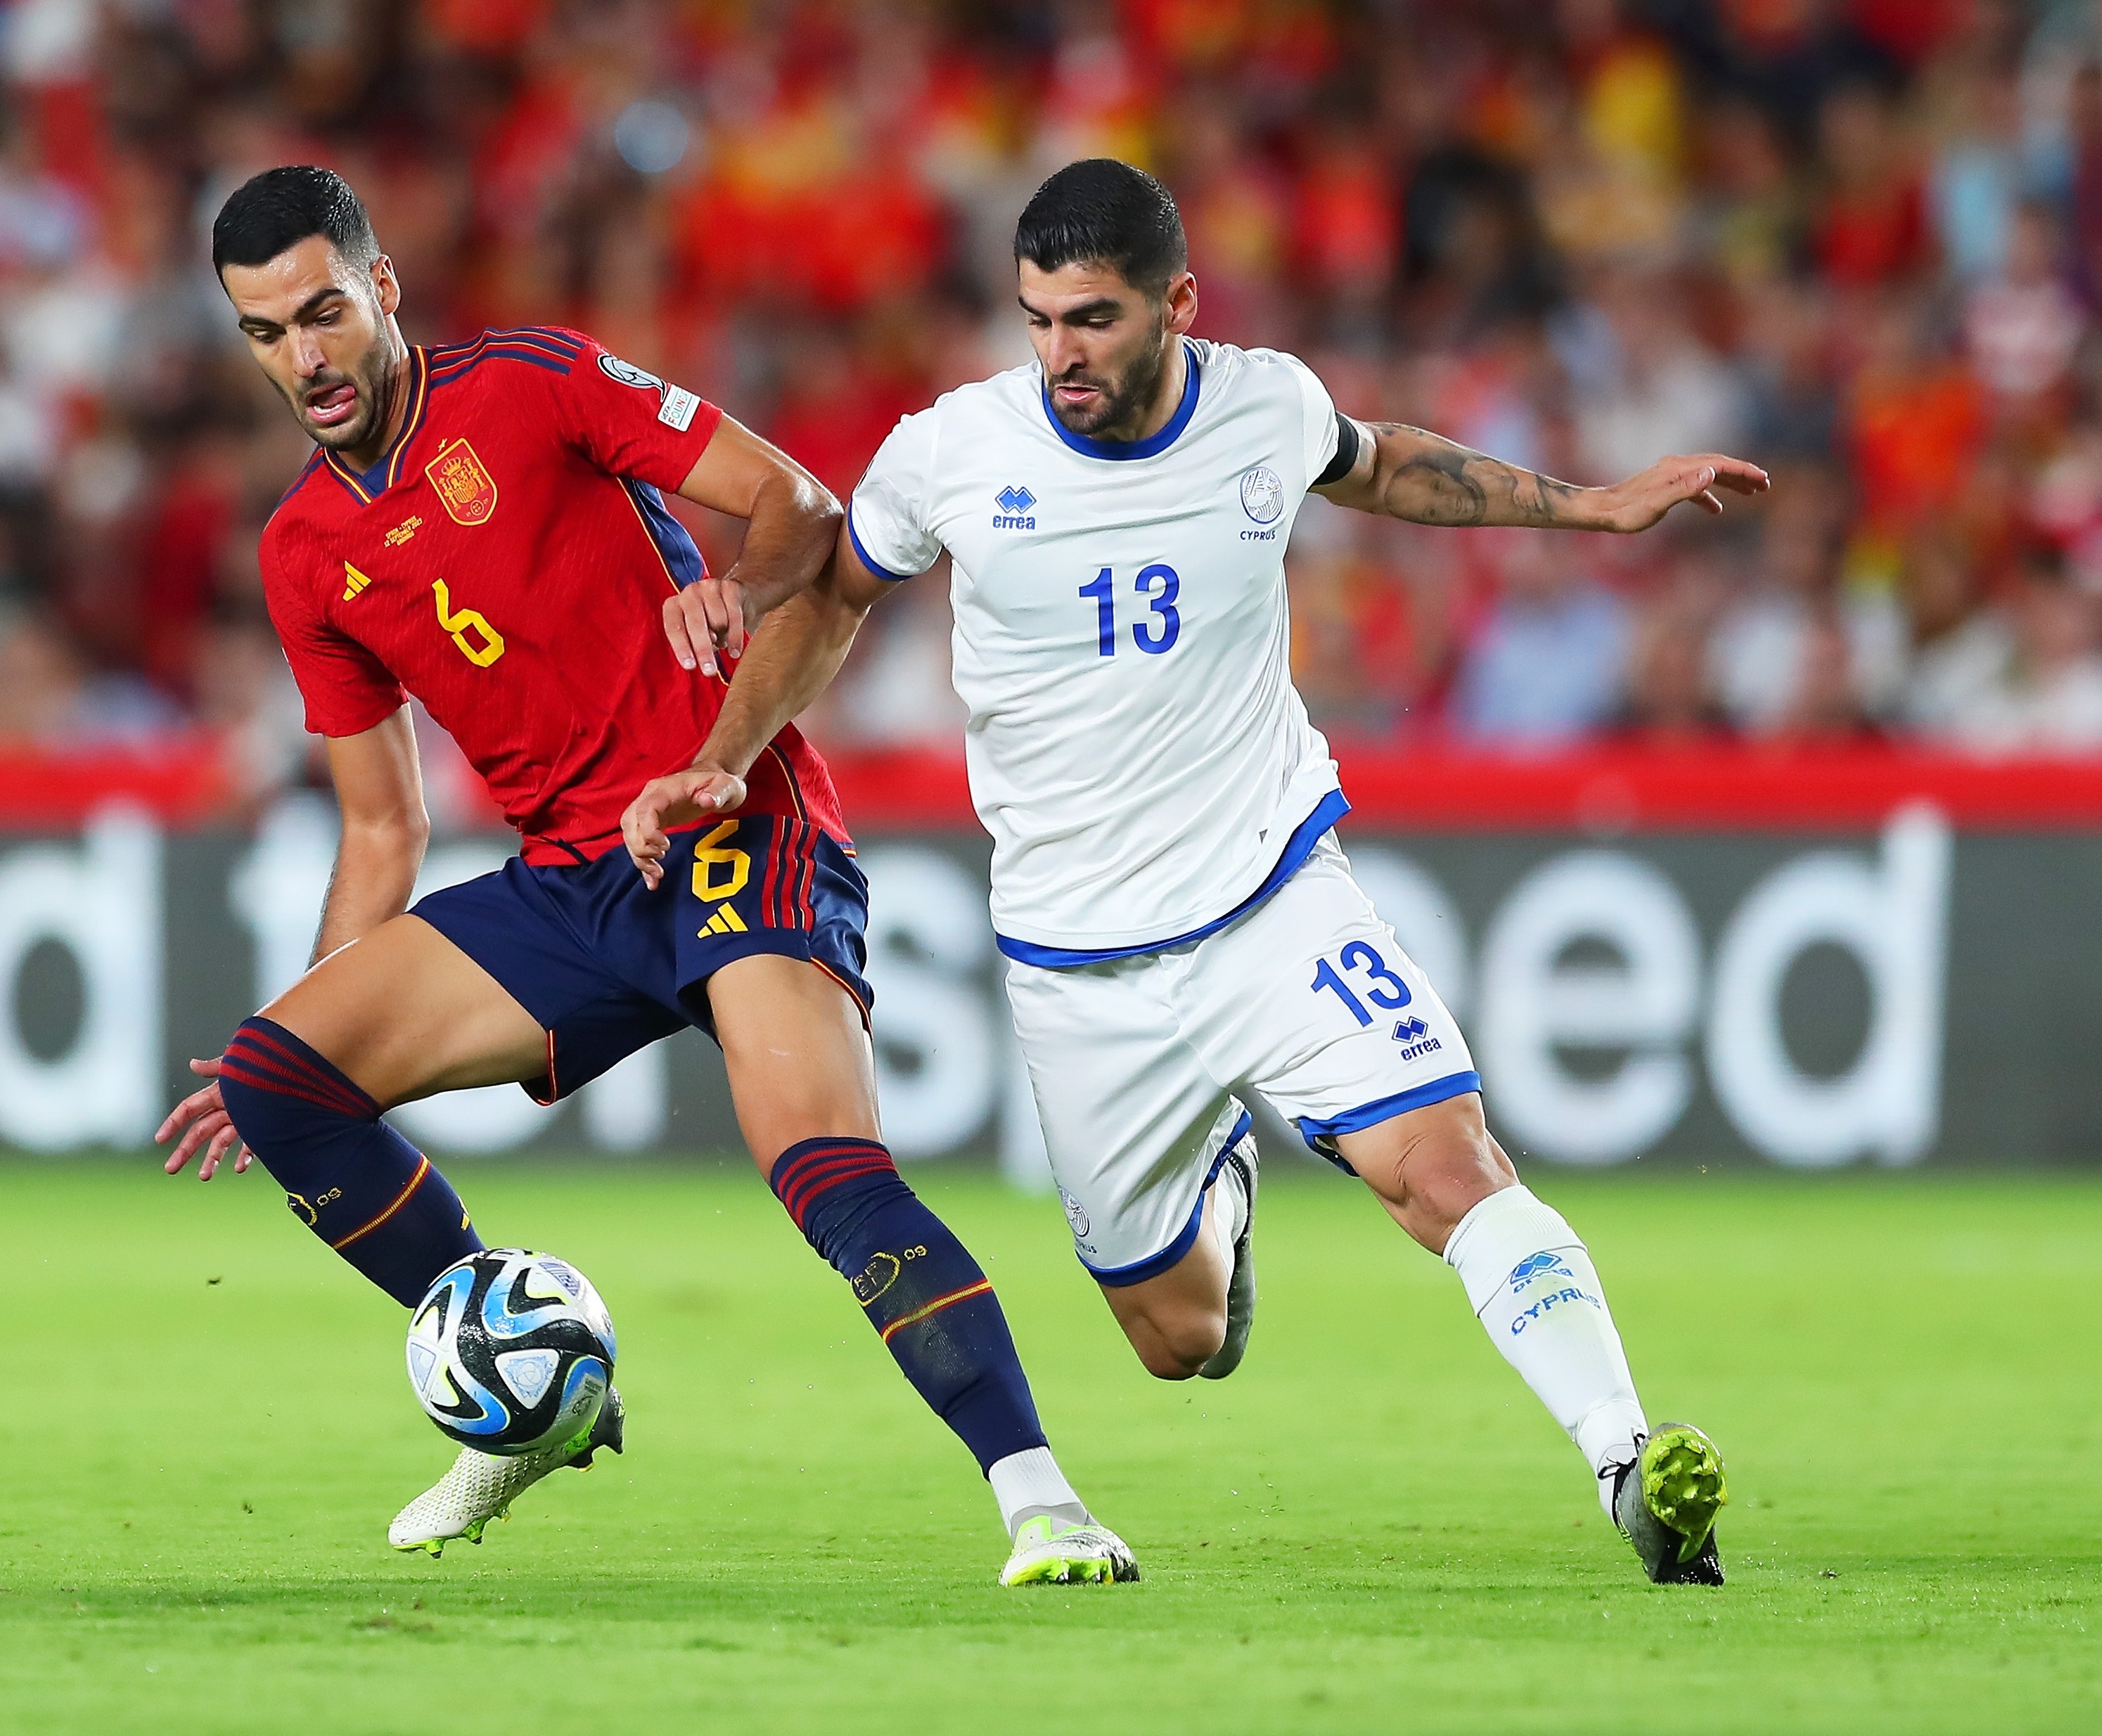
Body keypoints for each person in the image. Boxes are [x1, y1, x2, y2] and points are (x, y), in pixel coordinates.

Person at [626, 159, 1769, 1586]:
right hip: (1075, 960)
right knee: (1177, 1338)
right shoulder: (954, 451)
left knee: (1441, 1163)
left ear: (1175, 301)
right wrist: (728, 752)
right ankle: (1223, 1180)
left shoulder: (1262, 403)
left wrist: (1586, 506)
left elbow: (1382, 460)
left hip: (1265, 898)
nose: (1060, 354)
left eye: (1092, 319)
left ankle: (1624, 1462)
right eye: (1038, 319)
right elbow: (838, 597)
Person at [153, 167, 1134, 1588]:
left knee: (819, 1164)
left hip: (731, 815)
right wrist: (297, 1028)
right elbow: (381, 828)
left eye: (321, 312)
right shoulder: (306, 551)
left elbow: (798, 503)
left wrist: (734, 578)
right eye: (263, 332)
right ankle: (532, 1384)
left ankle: (1040, 1497)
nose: (303, 358)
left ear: (383, 290)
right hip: (573, 879)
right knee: (277, 1080)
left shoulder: (535, 384)